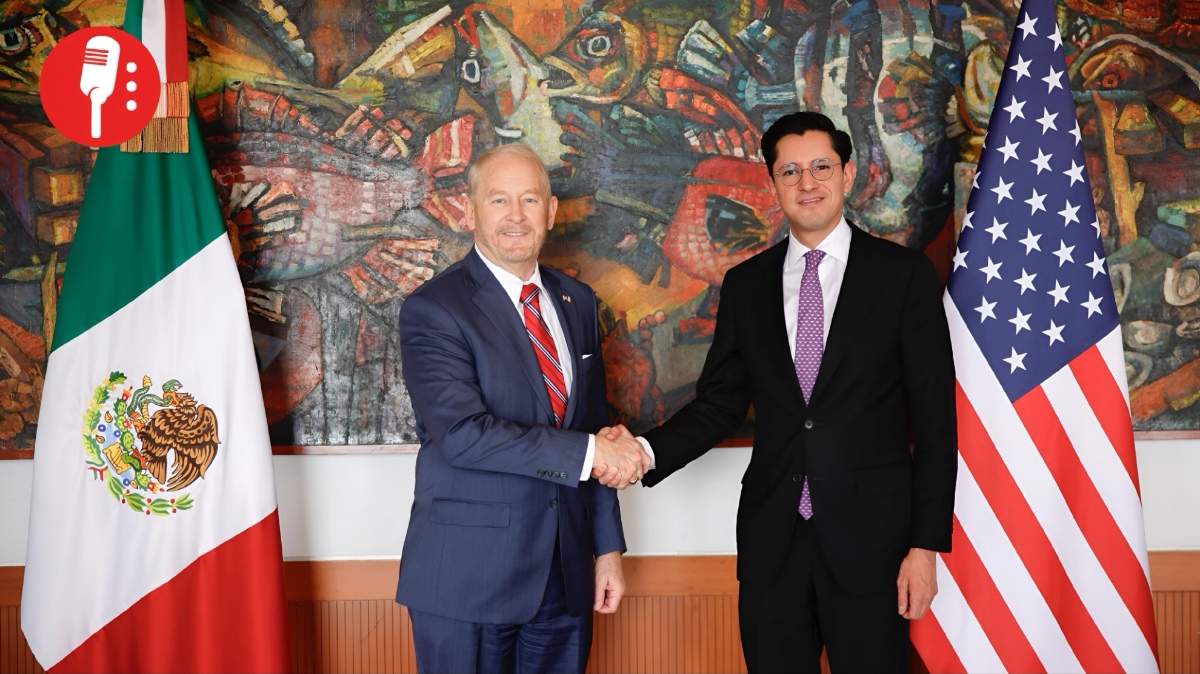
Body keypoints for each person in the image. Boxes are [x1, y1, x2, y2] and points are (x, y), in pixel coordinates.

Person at [608, 111, 957, 672]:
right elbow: (719, 404)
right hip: (774, 545)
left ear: (847, 174)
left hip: (873, 547)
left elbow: (937, 424)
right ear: (773, 184)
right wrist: (644, 453)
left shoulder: (904, 276)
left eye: (821, 167)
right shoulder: (746, 285)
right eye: (790, 171)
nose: (806, 182)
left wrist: (925, 548)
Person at [395, 142, 650, 674]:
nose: (516, 215)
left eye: (530, 199)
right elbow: (462, 434)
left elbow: (593, 426)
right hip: (467, 578)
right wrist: (593, 452)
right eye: (499, 200)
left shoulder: (577, 301)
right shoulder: (434, 307)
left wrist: (607, 550)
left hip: (565, 575)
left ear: (551, 211)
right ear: (469, 210)